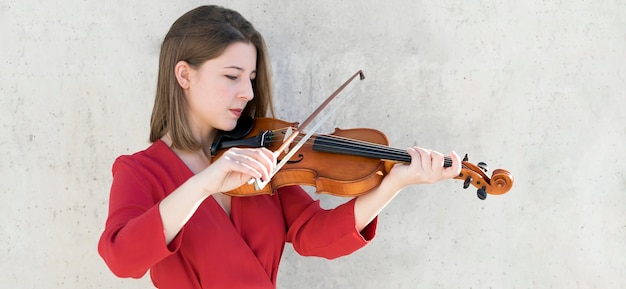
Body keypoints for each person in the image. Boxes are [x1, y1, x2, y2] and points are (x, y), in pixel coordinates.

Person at [98, 5, 461, 289]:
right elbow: (122, 259)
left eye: (251, 79)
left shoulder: (265, 153)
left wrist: (394, 183)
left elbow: (316, 235)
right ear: (184, 75)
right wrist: (206, 183)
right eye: (231, 76)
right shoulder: (140, 172)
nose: (248, 93)